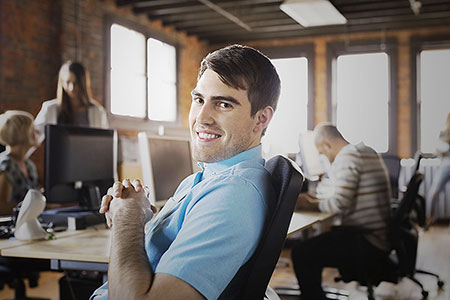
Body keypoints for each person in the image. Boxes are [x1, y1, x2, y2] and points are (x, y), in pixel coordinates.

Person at [90, 44, 281, 300]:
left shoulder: (233, 195)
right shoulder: (205, 179)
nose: (202, 118)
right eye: (199, 100)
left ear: (261, 119)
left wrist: (127, 219)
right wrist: (138, 213)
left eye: (223, 104)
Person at [291, 123, 392, 300]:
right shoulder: (365, 151)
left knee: (301, 253)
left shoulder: (348, 156)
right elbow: (345, 196)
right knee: (311, 247)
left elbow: (340, 203)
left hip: (366, 241)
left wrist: (309, 205)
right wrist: (316, 202)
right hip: (377, 236)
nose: (323, 157)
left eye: (321, 152)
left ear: (327, 145)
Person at [34, 61, 108, 145]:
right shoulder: (50, 108)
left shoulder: (97, 111)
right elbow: (33, 136)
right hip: (57, 157)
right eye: (68, 82)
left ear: (83, 83)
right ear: (62, 83)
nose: (71, 88)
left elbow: (103, 143)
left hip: (88, 157)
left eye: (76, 83)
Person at [0, 111, 39, 216]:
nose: (37, 133)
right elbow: (2, 207)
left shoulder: (29, 165)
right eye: (33, 129)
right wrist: (35, 207)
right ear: (23, 133)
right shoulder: (5, 165)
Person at [427, 112, 450, 227]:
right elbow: (437, 151)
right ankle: (429, 219)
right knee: (434, 192)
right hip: (445, 166)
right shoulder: (443, 134)